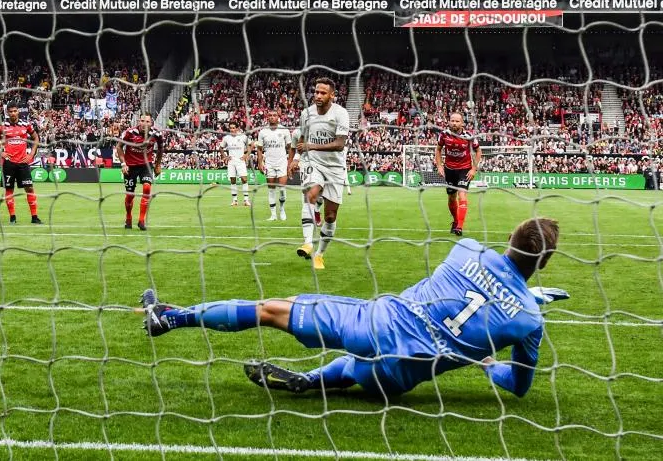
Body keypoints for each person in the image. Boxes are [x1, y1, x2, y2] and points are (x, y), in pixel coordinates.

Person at [140, 217, 568, 399]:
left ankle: (171, 317)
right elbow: (518, 386)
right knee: (357, 368)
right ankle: (309, 381)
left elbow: (484, 279)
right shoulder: (529, 320)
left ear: (510, 239)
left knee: (270, 309)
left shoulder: (467, 249)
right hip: (398, 377)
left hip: (375, 324)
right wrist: (487, 362)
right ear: (544, 263)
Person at [289, 78, 350, 270]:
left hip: (334, 168)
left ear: (332, 95)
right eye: (316, 92)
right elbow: (302, 138)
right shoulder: (306, 114)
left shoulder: (341, 113)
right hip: (313, 162)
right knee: (311, 195)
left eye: (323, 93)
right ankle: (308, 242)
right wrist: (297, 158)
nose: (318, 96)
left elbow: (340, 144)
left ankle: (320, 254)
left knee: (330, 216)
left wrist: (312, 145)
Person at [0, 104, 42, 224]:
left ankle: (34, 217)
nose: (13, 113)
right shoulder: (2, 127)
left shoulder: (26, 125)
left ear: (18, 112)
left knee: (30, 188)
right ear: (7, 113)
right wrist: (0, 152)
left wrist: (31, 154)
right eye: (11, 111)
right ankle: (12, 218)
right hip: (9, 163)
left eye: (15, 111)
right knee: (9, 190)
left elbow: (36, 138)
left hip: (23, 162)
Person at [435, 112, 482, 236]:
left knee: (462, 196)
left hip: (464, 170)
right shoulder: (444, 135)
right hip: (449, 170)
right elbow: (438, 149)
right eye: (452, 120)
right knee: (451, 198)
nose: (454, 123)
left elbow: (478, 151)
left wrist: (473, 169)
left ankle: (459, 227)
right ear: (449, 122)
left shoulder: (469, 136)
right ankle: (455, 221)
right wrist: (439, 166)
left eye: (457, 121)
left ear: (462, 123)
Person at [115, 113, 163, 230]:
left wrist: (157, 165)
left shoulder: (157, 134)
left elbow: (161, 148)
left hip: (146, 165)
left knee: (147, 188)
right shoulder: (129, 133)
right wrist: (123, 164)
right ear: (139, 122)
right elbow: (119, 147)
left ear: (151, 123)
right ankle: (128, 217)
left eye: (147, 121)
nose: (144, 124)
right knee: (130, 196)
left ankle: (141, 221)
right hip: (130, 167)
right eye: (142, 121)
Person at [255, 110, 292, 221]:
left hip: (282, 162)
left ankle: (281, 209)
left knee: (281, 188)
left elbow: (290, 148)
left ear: (278, 117)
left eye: (274, 115)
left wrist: (289, 163)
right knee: (271, 189)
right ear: (267, 118)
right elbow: (260, 149)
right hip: (269, 163)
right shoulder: (263, 132)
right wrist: (260, 162)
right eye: (270, 115)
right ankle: (273, 215)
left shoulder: (284, 130)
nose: (272, 117)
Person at [221, 122, 252, 207]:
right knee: (233, 180)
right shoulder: (226, 138)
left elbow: (250, 145)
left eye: (234, 128)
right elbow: (221, 148)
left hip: (240, 161)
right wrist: (225, 157)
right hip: (231, 162)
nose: (232, 129)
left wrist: (246, 155)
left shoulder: (243, 137)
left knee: (244, 179)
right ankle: (234, 200)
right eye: (231, 128)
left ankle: (246, 200)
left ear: (237, 129)